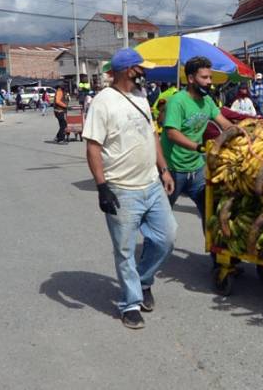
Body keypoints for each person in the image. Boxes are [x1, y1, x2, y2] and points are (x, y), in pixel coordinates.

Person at [81, 48, 177, 329]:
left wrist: (164, 169)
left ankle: (144, 281)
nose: (145, 72)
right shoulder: (103, 102)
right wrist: (102, 187)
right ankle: (130, 302)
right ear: (127, 70)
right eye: (140, 68)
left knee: (167, 237)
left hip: (151, 184)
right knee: (124, 250)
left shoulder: (141, 97)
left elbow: (152, 135)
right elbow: (93, 147)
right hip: (122, 189)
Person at [161, 57, 233, 226]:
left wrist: (242, 134)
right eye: (204, 77)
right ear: (191, 79)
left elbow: (224, 123)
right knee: (162, 219)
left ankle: (214, 252)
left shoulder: (207, 101)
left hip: (197, 169)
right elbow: (172, 133)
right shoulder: (178, 101)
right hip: (173, 169)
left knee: (210, 215)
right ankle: (154, 249)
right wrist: (199, 147)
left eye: (210, 78)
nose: (209, 82)